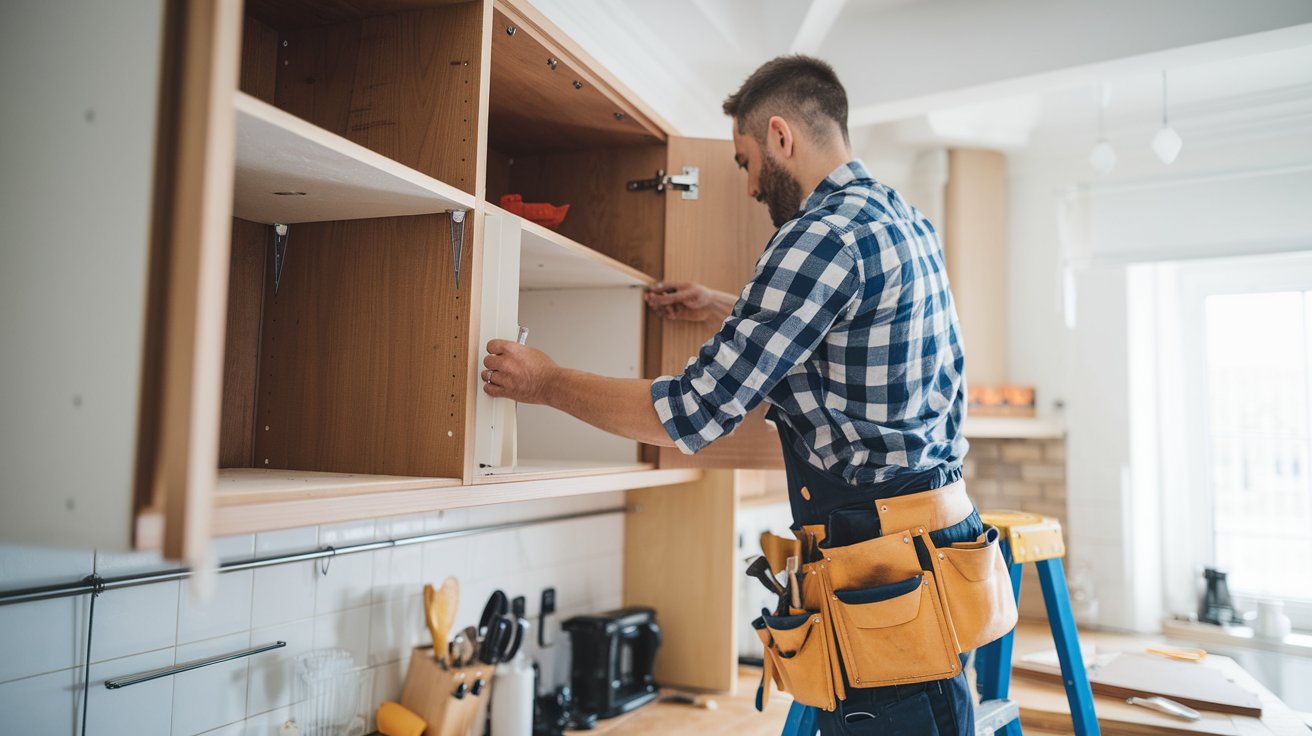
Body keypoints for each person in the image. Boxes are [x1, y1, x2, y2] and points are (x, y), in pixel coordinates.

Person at [483, 55, 979, 735]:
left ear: (781, 137)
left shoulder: (816, 236)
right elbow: (849, 340)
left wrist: (544, 382)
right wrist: (725, 307)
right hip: (935, 539)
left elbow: (691, 413)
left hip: (876, 566)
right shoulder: (905, 220)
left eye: (744, 161)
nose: (748, 187)